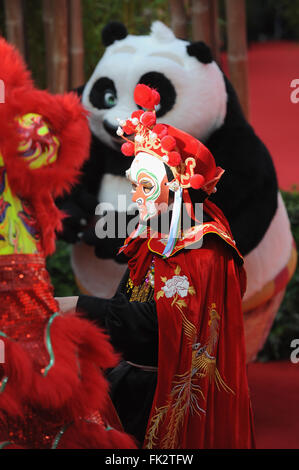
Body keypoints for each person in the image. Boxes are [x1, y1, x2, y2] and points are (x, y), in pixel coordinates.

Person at [58, 84, 255, 449]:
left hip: (167, 398)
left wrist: (77, 307)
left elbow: (161, 322)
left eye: (145, 186)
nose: (135, 196)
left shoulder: (206, 251)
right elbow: (126, 307)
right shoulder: (153, 240)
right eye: (134, 184)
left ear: (179, 185)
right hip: (129, 386)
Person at [0, 38, 136, 449]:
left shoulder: (26, 129)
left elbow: (64, 127)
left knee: (50, 412)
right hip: (23, 289)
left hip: (22, 296)